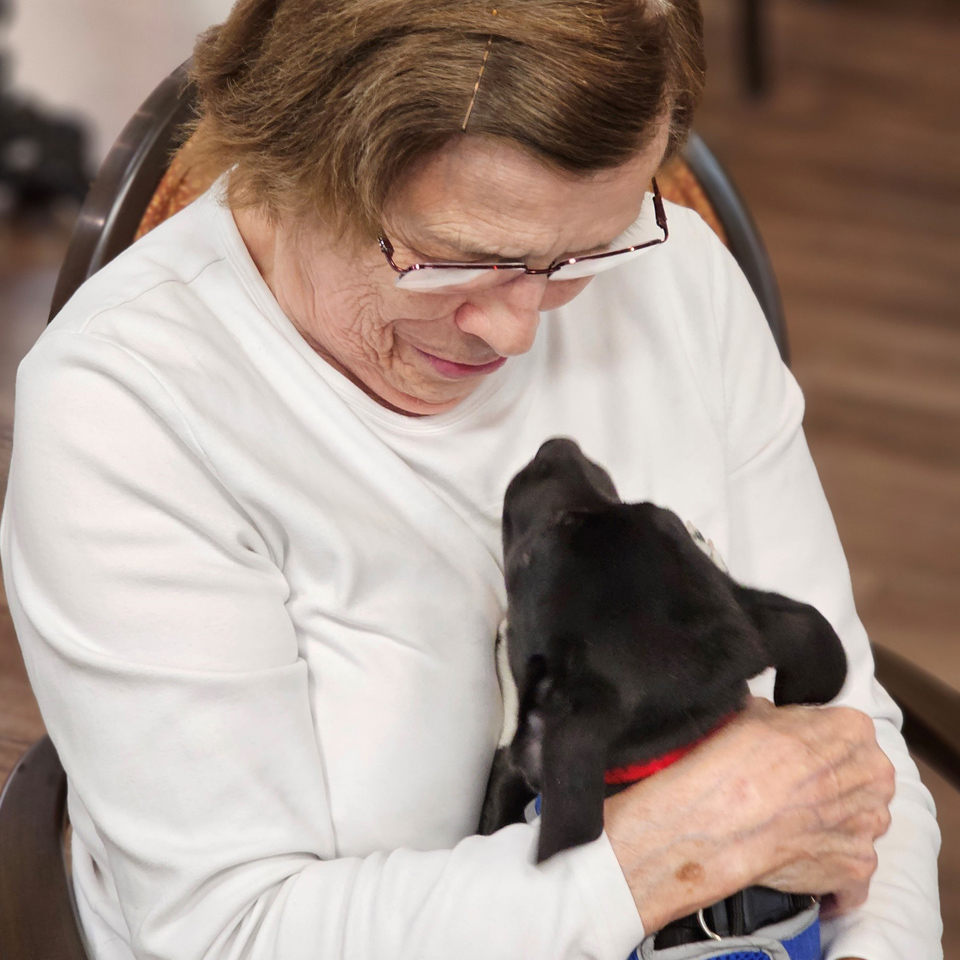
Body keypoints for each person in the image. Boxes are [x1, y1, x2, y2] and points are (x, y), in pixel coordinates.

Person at [0, 1, 941, 958]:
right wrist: (662, 855)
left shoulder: (678, 280)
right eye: (455, 259)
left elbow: (849, 755)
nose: (516, 329)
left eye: (582, 252)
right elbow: (230, 933)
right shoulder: (127, 407)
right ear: (294, 160)